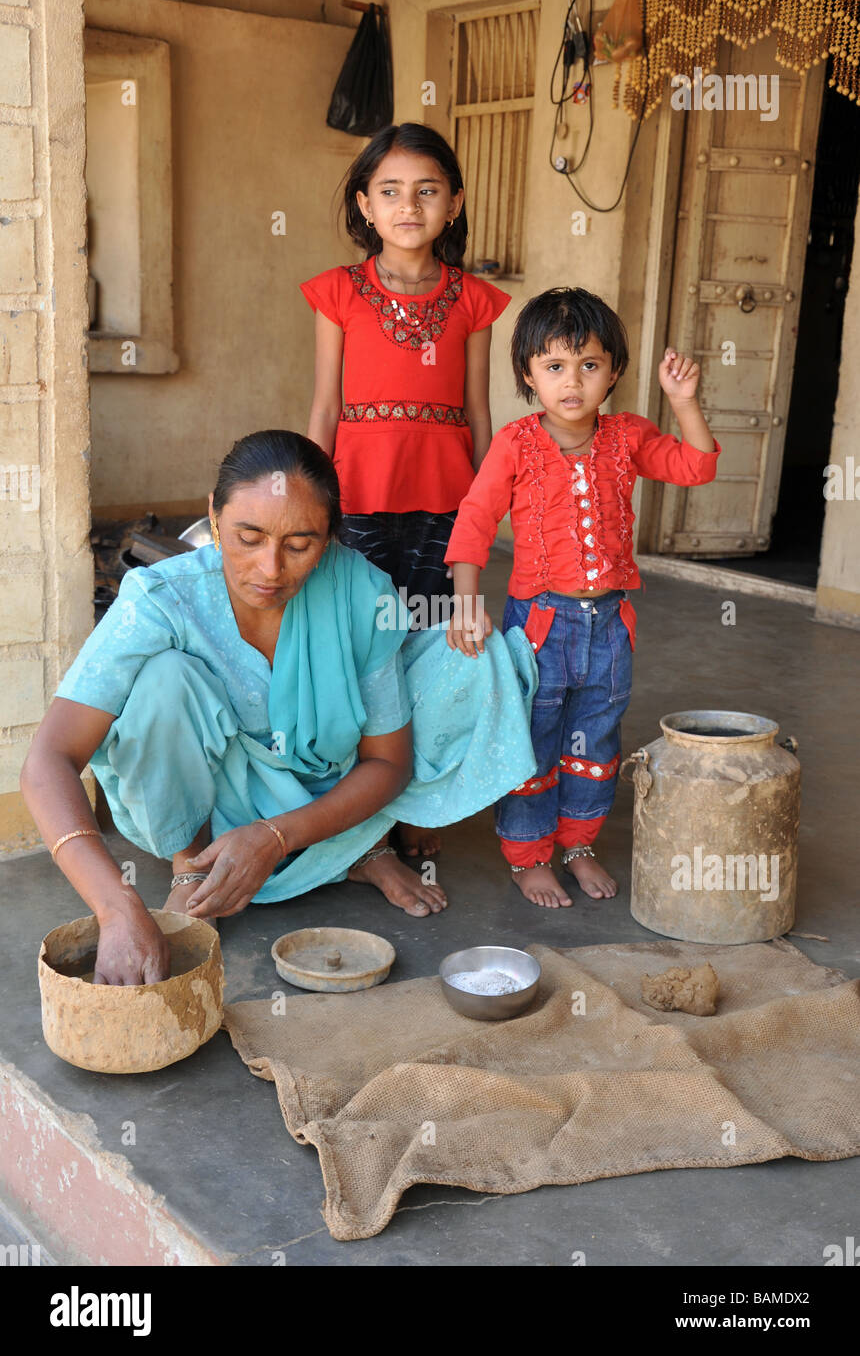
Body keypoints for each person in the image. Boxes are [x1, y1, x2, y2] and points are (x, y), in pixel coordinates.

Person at [20, 432, 537, 985]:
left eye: (299, 544)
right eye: (248, 537)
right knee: (162, 681)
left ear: (332, 538)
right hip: (212, 793)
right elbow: (49, 758)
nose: (270, 568)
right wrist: (116, 907)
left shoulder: (362, 590)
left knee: (478, 661)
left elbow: (388, 763)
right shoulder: (160, 598)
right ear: (213, 519)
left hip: (325, 785)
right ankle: (193, 865)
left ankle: (354, 846)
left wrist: (275, 836)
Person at [445, 287, 721, 909]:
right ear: (528, 374)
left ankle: (578, 845)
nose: (573, 382)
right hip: (541, 624)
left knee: (596, 734)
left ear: (613, 371)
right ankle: (529, 855)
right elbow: (474, 522)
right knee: (535, 735)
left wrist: (684, 402)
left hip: (611, 624)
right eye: (555, 366)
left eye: (589, 365)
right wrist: (466, 601)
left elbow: (696, 467)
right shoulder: (516, 444)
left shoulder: (627, 437)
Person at [301, 121, 511, 857]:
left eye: (427, 191)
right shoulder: (339, 292)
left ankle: (421, 803)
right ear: (364, 204)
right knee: (364, 643)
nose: (408, 206)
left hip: (446, 498)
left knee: (431, 642)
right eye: (389, 191)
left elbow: (480, 410)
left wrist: (489, 504)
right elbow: (326, 406)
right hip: (356, 495)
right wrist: (313, 503)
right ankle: (356, 812)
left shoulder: (474, 301)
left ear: (453, 204)